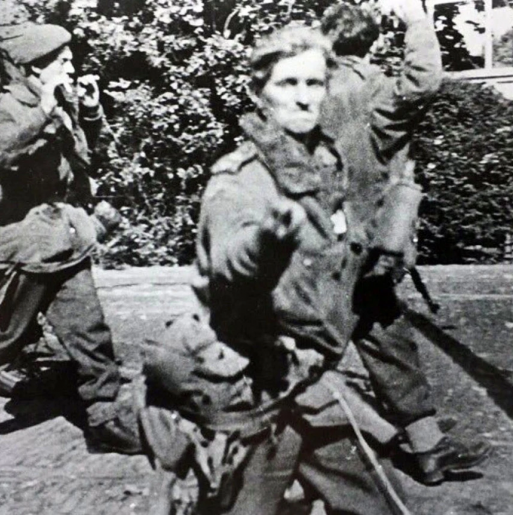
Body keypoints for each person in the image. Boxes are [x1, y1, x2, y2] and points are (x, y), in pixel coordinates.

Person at [140, 24, 411, 515]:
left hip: (310, 379)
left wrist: (382, 243)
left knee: (380, 502)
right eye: (288, 84)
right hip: (252, 390)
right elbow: (229, 262)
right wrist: (267, 241)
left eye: (314, 83)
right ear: (257, 92)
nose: (304, 98)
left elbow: (334, 251)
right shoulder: (240, 178)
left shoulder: (324, 163)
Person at [0, 24, 141, 455]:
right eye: (63, 61)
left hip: (64, 235)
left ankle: (104, 419)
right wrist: (43, 111)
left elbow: (84, 159)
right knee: (3, 335)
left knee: (90, 333)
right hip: (29, 241)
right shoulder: (11, 105)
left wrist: (92, 114)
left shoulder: (58, 101)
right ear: (36, 68)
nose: (72, 67)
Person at [320, 1, 489, 485]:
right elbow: (423, 81)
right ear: (371, 42)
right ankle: (264, 467)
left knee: (387, 339)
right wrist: (417, 19)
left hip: (325, 243)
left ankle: (428, 448)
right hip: (358, 246)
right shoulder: (371, 87)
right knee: (305, 362)